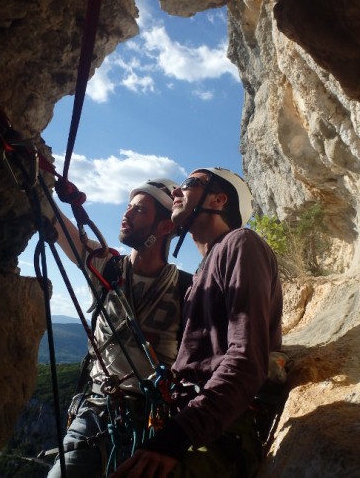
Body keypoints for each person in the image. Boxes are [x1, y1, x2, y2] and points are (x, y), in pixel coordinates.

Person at [112, 167, 283, 478]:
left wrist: (177, 437)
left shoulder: (240, 244)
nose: (177, 191)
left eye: (189, 183)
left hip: (222, 427)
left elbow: (246, 359)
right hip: (199, 419)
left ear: (218, 200)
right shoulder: (201, 274)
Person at [46, 178, 192, 478]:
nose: (126, 214)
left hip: (156, 417)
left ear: (165, 227)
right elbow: (59, 226)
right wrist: (41, 181)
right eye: (128, 207)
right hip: (99, 405)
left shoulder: (188, 288)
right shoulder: (107, 267)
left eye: (139, 210)